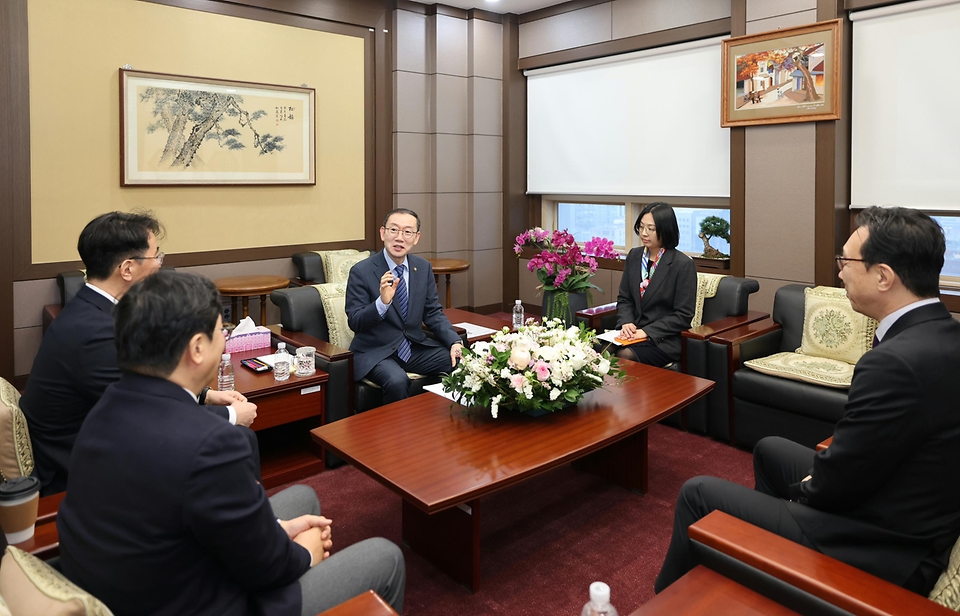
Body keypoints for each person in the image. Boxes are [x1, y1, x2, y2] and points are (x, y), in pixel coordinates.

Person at [57, 271, 406, 616]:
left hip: (133, 580)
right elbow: (265, 569)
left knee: (304, 498)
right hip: (200, 601)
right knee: (384, 557)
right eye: (219, 331)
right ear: (196, 348)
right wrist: (303, 554)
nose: (224, 338)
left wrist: (279, 532)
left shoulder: (106, 405)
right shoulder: (212, 444)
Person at [654, 206, 960, 596]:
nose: (839, 271)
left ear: (883, 276)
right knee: (769, 449)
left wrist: (806, 491)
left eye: (846, 261)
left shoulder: (894, 364)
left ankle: (664, 602)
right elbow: (871, 454)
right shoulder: (943, 334)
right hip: (891, 501)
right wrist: (818, 481)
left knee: (697, 493)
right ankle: (765, 566)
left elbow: (843, 480)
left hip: (877, 545)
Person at [20, 211, 256, 495]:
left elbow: (146, 380)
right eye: (156, 256)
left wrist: (207, 395)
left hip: (102, 435)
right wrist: (230, 415)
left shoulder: (97, 310)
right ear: (127, 268)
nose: (159, 265)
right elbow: (149, 412)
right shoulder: (93, 332)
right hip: (78, 469)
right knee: (236, 437)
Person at [345, 208, 463, 404]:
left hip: (412, 348)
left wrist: (454, 342)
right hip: (376, 352)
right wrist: (382, 303)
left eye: (407, 232)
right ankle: (397, 433)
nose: (399, 238)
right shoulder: (361, 271)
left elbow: (433, 313)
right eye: (394, 230)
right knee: (397, 380)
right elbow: (355, 321)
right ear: (383, 233)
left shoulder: (422, 267)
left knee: (461, 362)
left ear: (416, 238)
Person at [615, 202, 697, 366]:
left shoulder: (682, 264)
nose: (644, 233)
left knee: (625, 355)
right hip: (631, 333)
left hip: (663, 339)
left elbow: (683, 315)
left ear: (665, 230)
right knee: (595, 347)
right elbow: (625, 298)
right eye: (641, 227)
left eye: (651, 229)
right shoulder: (634, 256)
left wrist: (645, 332)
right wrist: (626, 323)